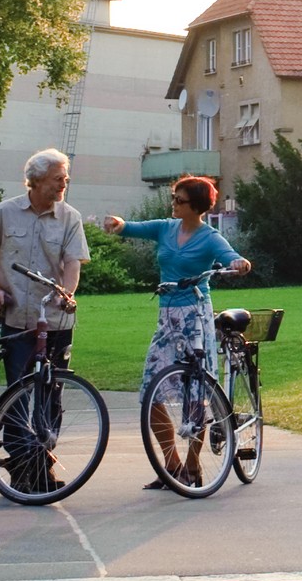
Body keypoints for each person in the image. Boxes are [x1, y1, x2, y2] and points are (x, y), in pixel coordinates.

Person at [105, 178, 250, 491]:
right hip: (167, 319)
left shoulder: (210, 237)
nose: (174, 203)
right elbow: (133, 227)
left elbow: (229, 255)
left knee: (195, 395)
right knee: (150, 391)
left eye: (180, 199)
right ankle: (171, 464)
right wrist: (118, 224)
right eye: (174, 197)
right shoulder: (165, 228)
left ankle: (193, 464)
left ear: (196, 206)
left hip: (195, 318)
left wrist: (239, 263)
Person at [0, 150, 89, 471]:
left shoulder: (70, 218)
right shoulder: (5, 212)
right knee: (18, 393)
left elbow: (72, 263)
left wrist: (67, 292)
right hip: (17, 318)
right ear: (36, 181)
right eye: (57, 178)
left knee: (52, 392)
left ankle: (42, 457)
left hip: (56, 319)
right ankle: (24, 464)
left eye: (66, 178)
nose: (64, 183)